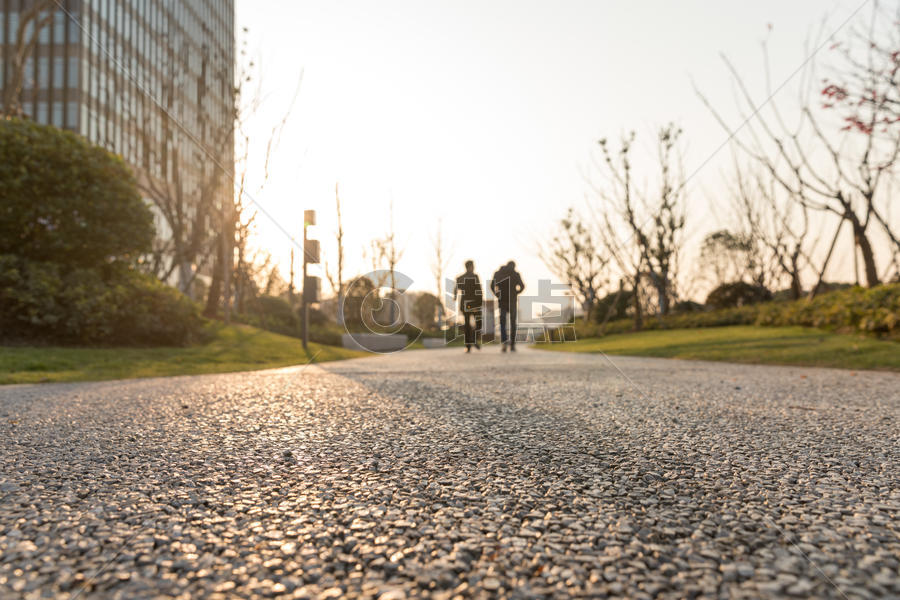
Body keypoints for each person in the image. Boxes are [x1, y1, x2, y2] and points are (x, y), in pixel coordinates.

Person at [492, 261, 524, 352]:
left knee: (503, 323)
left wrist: (497, 294)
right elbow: (522, 286)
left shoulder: (498, 274)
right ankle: (512, 345)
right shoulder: (515, 274)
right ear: (513, 266)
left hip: (502, 301)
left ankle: (504, 343)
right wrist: (516, 293)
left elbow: (492, 286)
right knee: (513, 323)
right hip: (512, 301)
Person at [454, 260, 483, 353]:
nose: (473, 267)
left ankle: (470, 343)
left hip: (467, 304)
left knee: (470, 324)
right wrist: (480, 302)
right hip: (473, 304)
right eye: (472, 266)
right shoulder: (474, 277)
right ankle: (470, 342)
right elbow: (479, 290)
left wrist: (454, 296)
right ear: (469, 267)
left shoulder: (461, 278)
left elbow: (456, 288)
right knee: (475, 324)